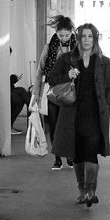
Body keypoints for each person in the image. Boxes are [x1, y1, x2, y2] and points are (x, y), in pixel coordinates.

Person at [47, 23, 110, 207]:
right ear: (78, 38)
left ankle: (91, 191)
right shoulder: (67, 59)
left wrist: (108, 107)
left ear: (95, 38)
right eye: (83, 36)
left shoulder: (103, 61)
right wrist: (67, 76)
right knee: (77, 153)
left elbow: (109, 87)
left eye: (90, 36)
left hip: (94, 114)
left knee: (91, 150)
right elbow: (51, 80)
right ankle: (82, 190)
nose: (86, 40)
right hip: (72, 114)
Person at [37, 16, 75, 170]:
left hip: (71, 91)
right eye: (61, 35)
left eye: (67, 35)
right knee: (54, 124)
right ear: (56, 33)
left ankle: (70, 156)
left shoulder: (77, 47)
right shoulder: (49, 47)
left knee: (69, 125)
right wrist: (36, 93)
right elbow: (40, 70)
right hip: (53, 91)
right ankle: (57, 158)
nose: (64, 38)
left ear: (72, 32)